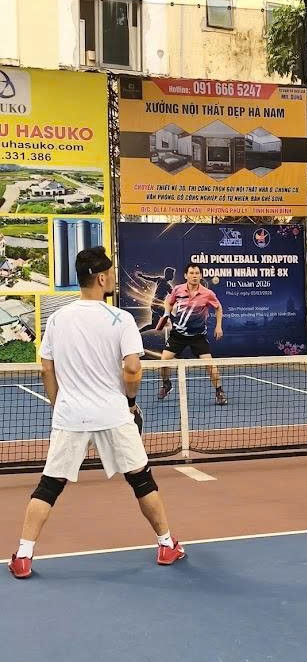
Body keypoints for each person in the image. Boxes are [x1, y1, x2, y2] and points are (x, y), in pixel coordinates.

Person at [8, 246, 186, 580]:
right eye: (111, 272)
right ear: (101, 278)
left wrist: (58, 404)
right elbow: (132, 369)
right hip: (114, 414)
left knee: (49, 486)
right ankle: (166, 544)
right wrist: (130, 401)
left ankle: (23, 555)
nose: (114, 277)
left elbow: (46, 368)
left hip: (70, 415)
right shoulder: (121, 319)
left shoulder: (57, 319)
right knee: (141, 480)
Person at [158, 262, 228, 405]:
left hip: (198, 336)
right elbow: (169, 302)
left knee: (209, 364)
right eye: (191, 273)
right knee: (164, 360)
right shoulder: (178, 289)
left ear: (200, 276)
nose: (194, 276)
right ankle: (166, 384)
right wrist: (166, 313)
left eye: (197, 273)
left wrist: (218, 326)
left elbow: (218, 307)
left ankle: (219, 391)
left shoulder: (207, 293)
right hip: (178, 334)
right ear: (186, 275)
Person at [136, 266, 175, 333]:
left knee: (154, 325)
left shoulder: (159, 279)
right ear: (168, 275)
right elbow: (174, 295)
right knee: (171, 317)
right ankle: (176, 334)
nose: (173, 276)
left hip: (153, 305)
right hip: (157, 306)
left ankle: (138, 331)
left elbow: (149, 278)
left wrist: (142, 276)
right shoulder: (167, 285)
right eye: (172, 274)